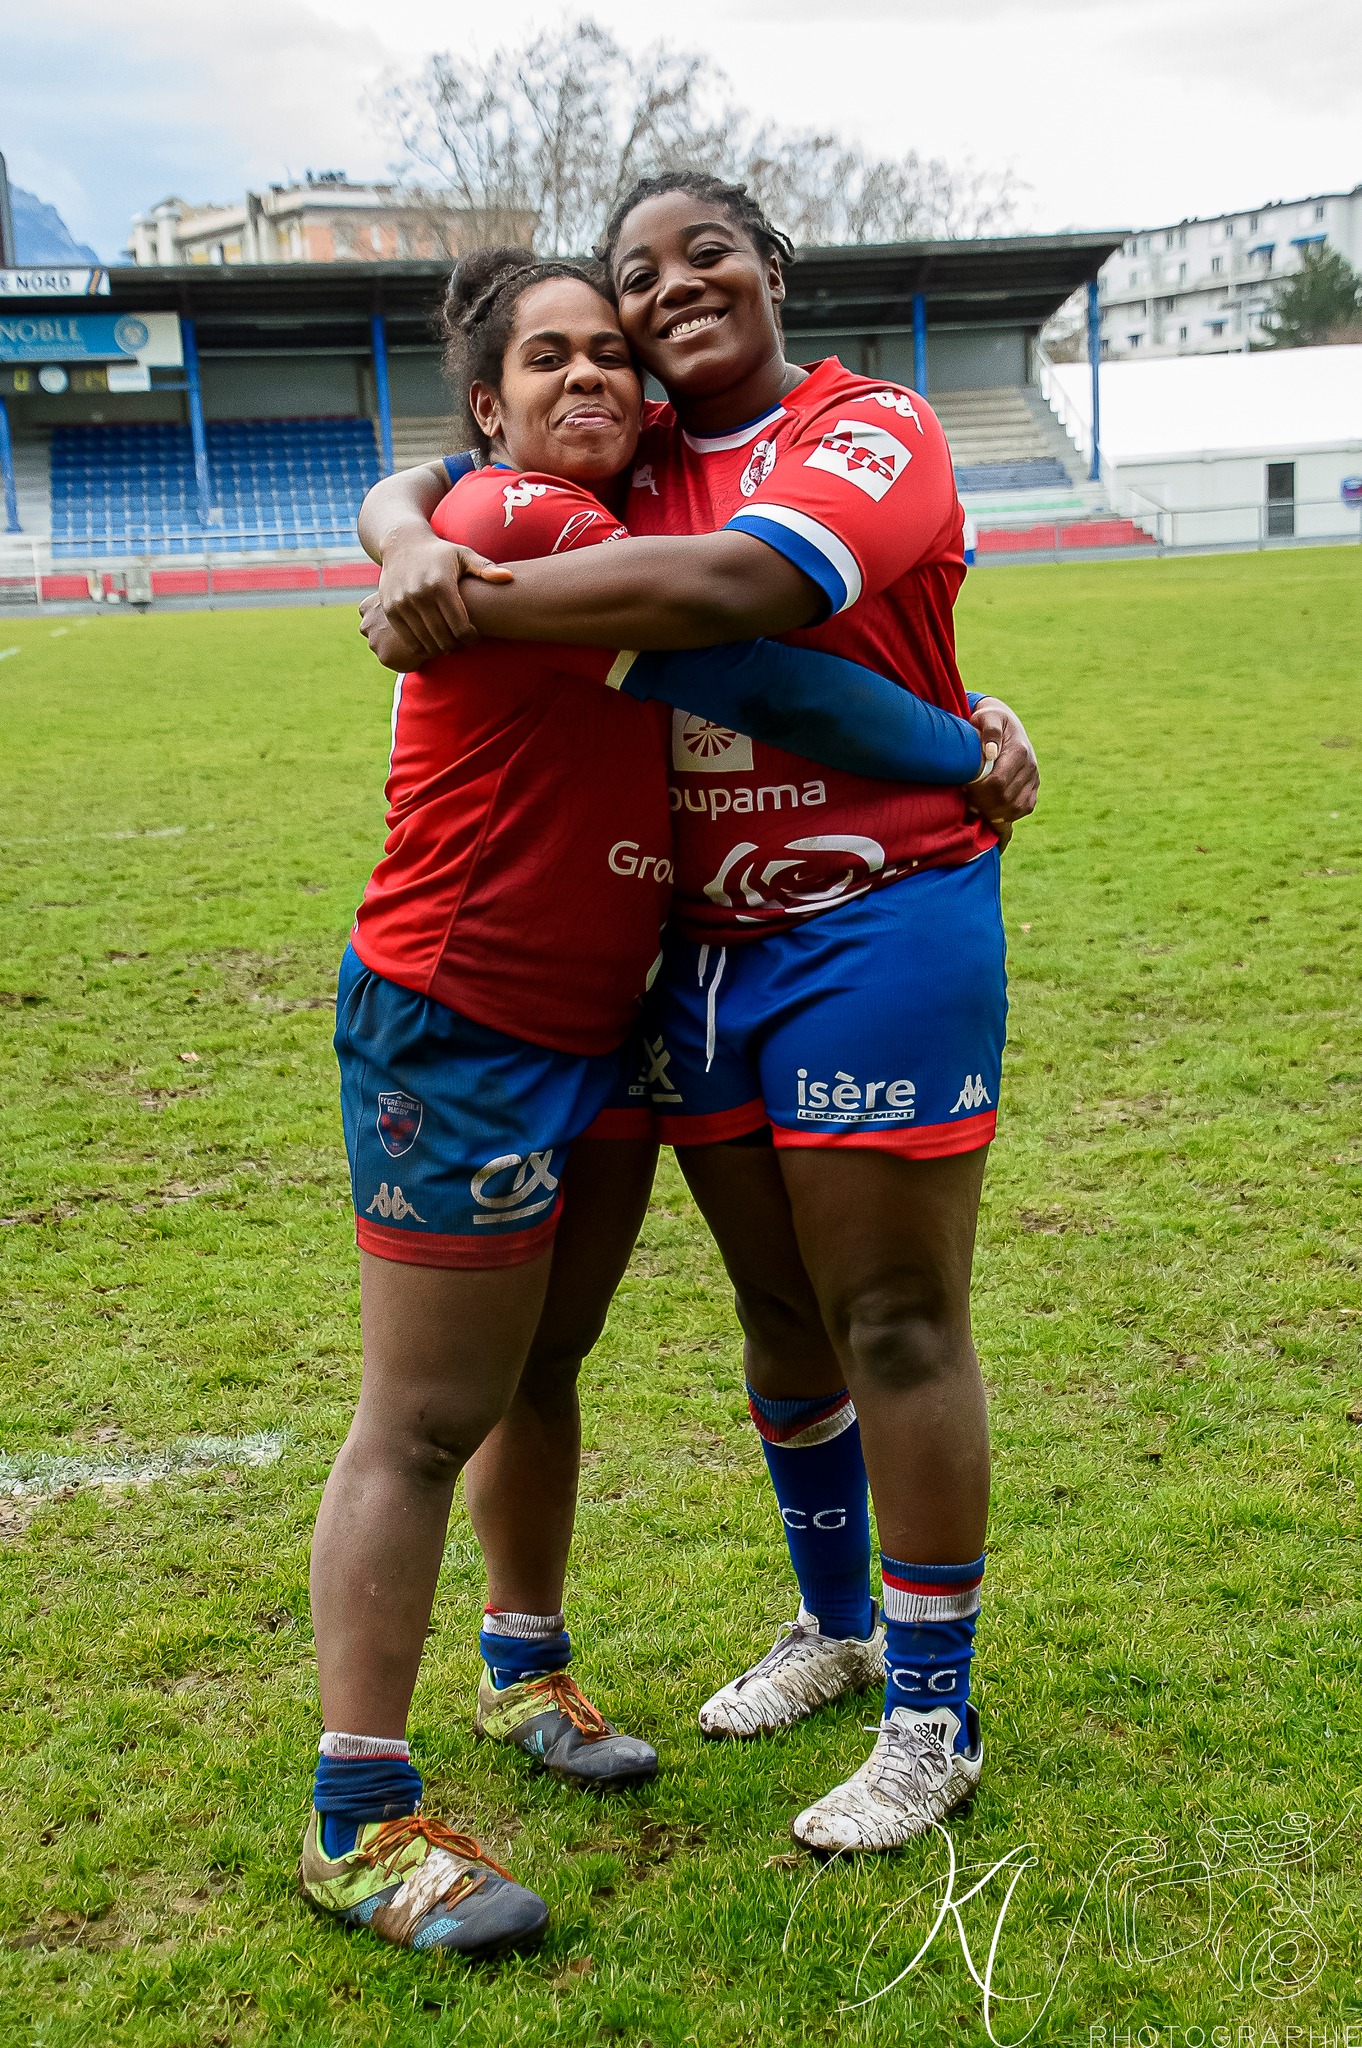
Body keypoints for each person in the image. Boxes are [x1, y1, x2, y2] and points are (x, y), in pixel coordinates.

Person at [305, 241, 1010, 1962]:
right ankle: (356, 1822)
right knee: (424, 1412)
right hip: (466, 1015)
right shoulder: (540, 521)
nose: (595, 376)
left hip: (616, 1010)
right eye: (549, 356)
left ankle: (524, 1667)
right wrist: (962, 745)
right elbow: (749, 664)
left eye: (611, 353)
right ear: (489, 407)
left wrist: (403, 531)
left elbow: (707, 622)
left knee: (547, 1368)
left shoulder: (576, 501)